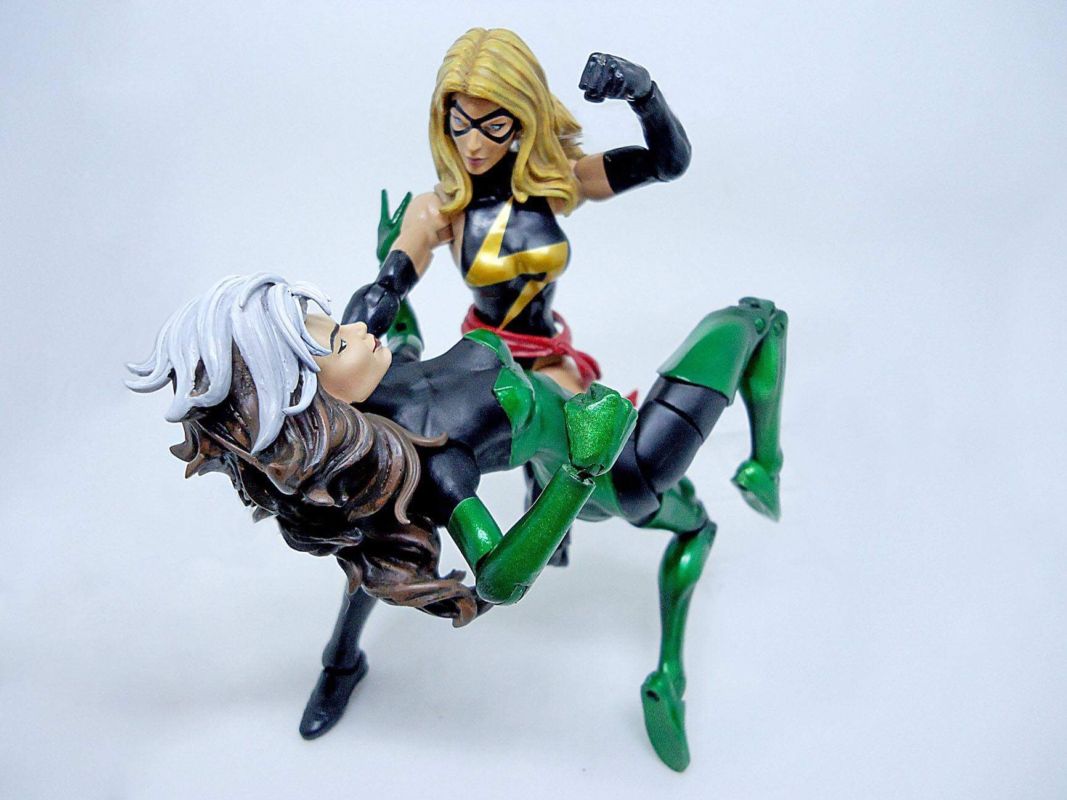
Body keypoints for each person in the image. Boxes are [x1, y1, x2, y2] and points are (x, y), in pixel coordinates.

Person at [127, 273, 787, 772]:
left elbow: (396, 326)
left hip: (568, 438)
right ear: (312, 396)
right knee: (755, 320)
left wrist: (393, 265)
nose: (354, 328)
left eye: (335, 323)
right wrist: (583, 470)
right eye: (335, 340)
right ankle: (754, 487)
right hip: (627, 466)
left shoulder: (391, 376)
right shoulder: (439, 464)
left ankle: (341, 661)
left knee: (376, 537)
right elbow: (498, 580)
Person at [344, 28, 692, 395]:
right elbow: (385, 289)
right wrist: (337, 357)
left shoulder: (555, 183)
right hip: (483, 365)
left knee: (594, 425)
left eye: (494, 127)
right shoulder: (441, 209)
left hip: (548, 359)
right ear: (444, 118)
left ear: (521, 121)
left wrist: (644, 94)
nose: (473, 145)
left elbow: (667, 164)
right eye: (461, 125)